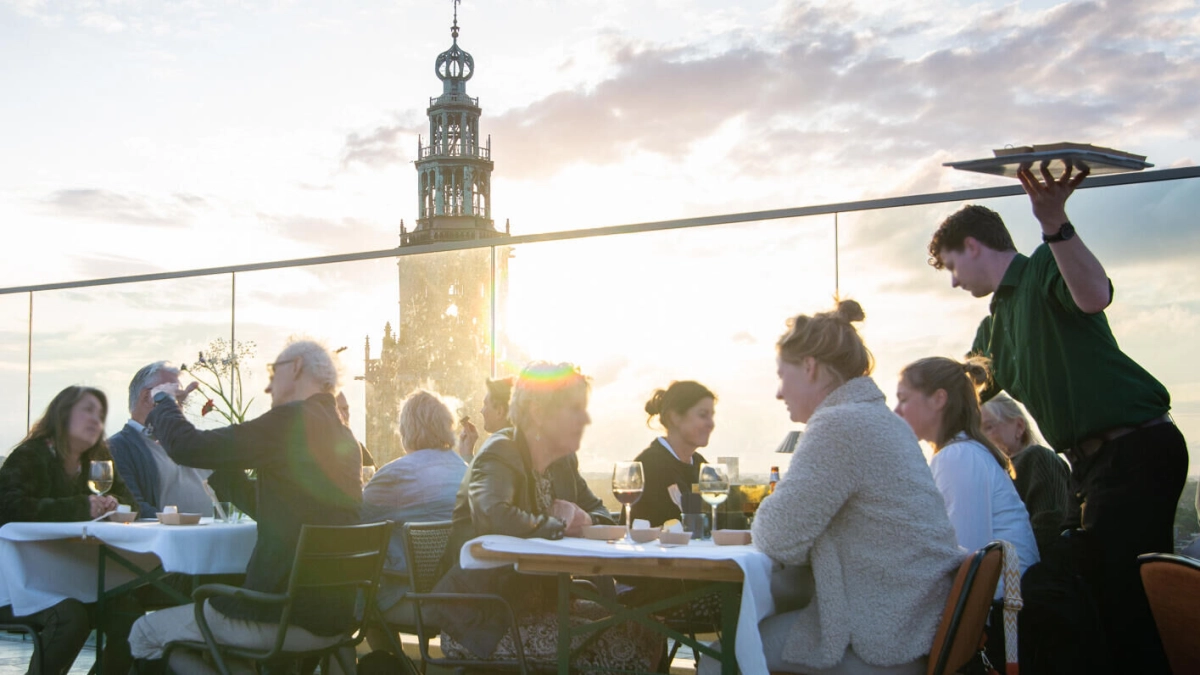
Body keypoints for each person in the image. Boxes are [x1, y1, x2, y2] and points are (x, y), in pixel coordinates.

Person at [927, 165, 1186, 673]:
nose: (954, 281)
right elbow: (952, 398)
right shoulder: (993, 329)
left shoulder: (1045, 265)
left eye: (952, 266)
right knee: (1087, 588)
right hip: (1088, 468)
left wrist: (1053, 222)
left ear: (973, 246)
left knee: (1122, 596)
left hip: (1137, 448)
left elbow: (1094, 297)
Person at [701, 301, 962, 675]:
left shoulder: (839, 425)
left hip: (883, 639)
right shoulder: (881, 421)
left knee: (720, 658)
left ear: (809, 367)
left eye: (782, 375)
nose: (779, 393)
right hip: (912, 620)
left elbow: (777, 536)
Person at [127, 339, 363, 670]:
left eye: (274, 372)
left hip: (279, 614)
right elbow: (276, 506)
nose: (268, 386)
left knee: (144, 634)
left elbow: (187, 447)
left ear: (296, 368)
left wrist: (163, 400)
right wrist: (220, 464)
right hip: (334, 618)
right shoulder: (343, 435)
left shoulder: (289, 421)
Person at [430, 362, 663, 672]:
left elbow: (602, 515)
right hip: (487, 617)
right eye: (574, 409)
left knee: (650, 629)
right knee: (626, 644)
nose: (585, 419)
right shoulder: (500, 451)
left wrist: (584, 518)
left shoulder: (562, 461)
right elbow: (493, 515)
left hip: (547, 604)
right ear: (538, 413)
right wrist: (559, 523)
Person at [0, 386, 138, 675]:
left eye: (99, 414)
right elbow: (9, 507)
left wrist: (113, 503)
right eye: (87, 411)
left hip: (76, 574)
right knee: (70, 618)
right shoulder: (30, 456)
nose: (95, 420)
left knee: (131, 615)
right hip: (19, 579)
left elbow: (130, 502)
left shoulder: (98, 459)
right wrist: (80, 506)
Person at [895, 357, 1040, 580]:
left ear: (939, 399)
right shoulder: (962, 452)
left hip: (1004, 600)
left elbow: (964, 562)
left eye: (903, 399)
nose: (896, 411)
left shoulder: (958, 456)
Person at [361, 389, 467, 650]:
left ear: (406, 429)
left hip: (419, 600)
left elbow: (353, 520)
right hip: (465, 597)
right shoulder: (465, 470)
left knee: (355, 596)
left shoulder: (397, 474)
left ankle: (389, 665)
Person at [109, 361, 215, 518]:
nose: (178, 405)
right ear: (146, 397)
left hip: (219, 532)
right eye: (172, 396)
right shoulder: (118, 447)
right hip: (166, 533)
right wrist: (183, 524)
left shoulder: (195, 443)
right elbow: (133, 507)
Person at [981, 393, 1071, 559]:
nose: (981, 438)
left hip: (1037, 566)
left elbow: (1049, 524)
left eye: (988, 427)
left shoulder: (1037, 458)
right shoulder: (992, 473)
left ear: (1019, 426)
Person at [629, 380, 715, 527]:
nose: (711, 424)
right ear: (674, 417)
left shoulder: (701, 465)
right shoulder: (650, 466)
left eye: (711, 416)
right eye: (702, 415)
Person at [455, 376, 514, 461]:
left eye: (485, 404)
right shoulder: (513, 444)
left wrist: (467, 456)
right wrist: (468, 452)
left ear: (499, 412)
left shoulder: (498, 449)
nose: (481, 411)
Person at [335, 390, 377, 469]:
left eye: (345, 409)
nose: (343, 415)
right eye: (336, 411)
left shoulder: (357, 449)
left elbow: (374, 473)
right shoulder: (313, 452)